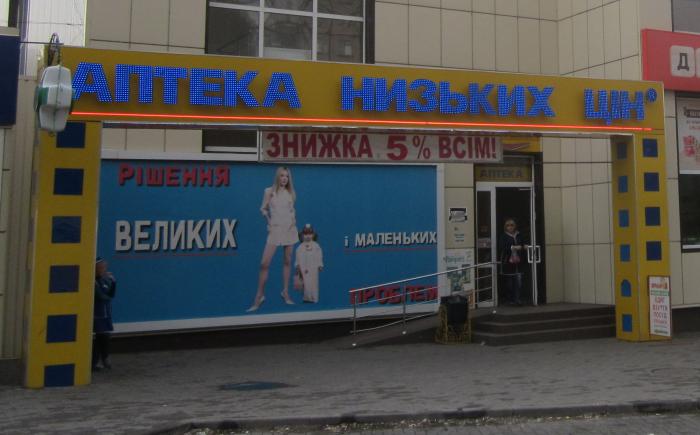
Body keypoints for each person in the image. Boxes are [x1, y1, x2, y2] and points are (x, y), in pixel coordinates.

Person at [247, 167, 299, 312]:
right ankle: (259, 295)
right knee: (264, 263)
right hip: (275, 230)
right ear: (277, 177)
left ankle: (285, 292)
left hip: (289, 229)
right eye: (282, 176)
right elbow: (263, 208)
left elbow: (292, 210)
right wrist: (269, 220)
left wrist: (293, 220)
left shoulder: (291, 193)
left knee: (287, 261)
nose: (284, 178)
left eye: (287, 176)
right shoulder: (268, 191)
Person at [93, 257, 116, 371]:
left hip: (106, 313)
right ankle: (99, 360)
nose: (104, 269)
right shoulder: (93, 282)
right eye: (101, 267)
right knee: (101, 338)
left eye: (105, 267)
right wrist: (107, 297)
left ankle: (102, 359)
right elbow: (100, 296)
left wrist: (114, 283)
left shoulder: (104, 280)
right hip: (97, 314)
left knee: (103, 337)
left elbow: (111, 295)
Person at [498, 218, 525, 306]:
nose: (510, 227)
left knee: (519, 282)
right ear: (505, 227)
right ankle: (510, 300)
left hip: (518, 263)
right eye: (508, 225)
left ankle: (517, 299)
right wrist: (512, 247)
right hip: (508, 263)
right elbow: (501, 247)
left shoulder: (519, 235)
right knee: (509, 284)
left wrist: (524, 246)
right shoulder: (503, 236)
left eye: (512, 225)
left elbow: (523, 244)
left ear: (515, 226)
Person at [294, 224, 323, 303]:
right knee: (306, 283)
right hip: (303, 268)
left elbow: (319, 255)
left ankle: (314, 298)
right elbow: (297, 257)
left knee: (313, 283)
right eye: (305, 234)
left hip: (313, 268)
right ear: (302, 235)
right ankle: (306, 298)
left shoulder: (316, 246)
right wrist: (297, 265)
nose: (308, 236)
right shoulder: (300, 247)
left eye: (310, 234)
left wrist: (320, 265)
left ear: (313, 234)